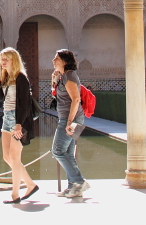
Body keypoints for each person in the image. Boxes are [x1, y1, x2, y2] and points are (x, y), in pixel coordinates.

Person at [0, 47, 38, 204]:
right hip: (7, 118)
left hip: (18, 120)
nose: (3, 62)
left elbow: (25, 104)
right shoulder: (6, 78)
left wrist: (19, 124)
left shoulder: (21, 78)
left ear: (14, 60)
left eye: (6, 59)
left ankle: (15, 194)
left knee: (14, 157)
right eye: (1, 59)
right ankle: (30, 184)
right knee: (7, 157)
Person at [51, 49, 90, 198]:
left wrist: (68, 122)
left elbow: (76, 99)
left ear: (65, 61)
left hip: (71, 120)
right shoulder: (63, 77)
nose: (53, 61)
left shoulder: (70, 75)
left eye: (56, 58)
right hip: (69, 118)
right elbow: (58, 97)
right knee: (67, 153)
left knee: (57, 150)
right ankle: (72, 187)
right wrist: (54, 81)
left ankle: (79, 181)